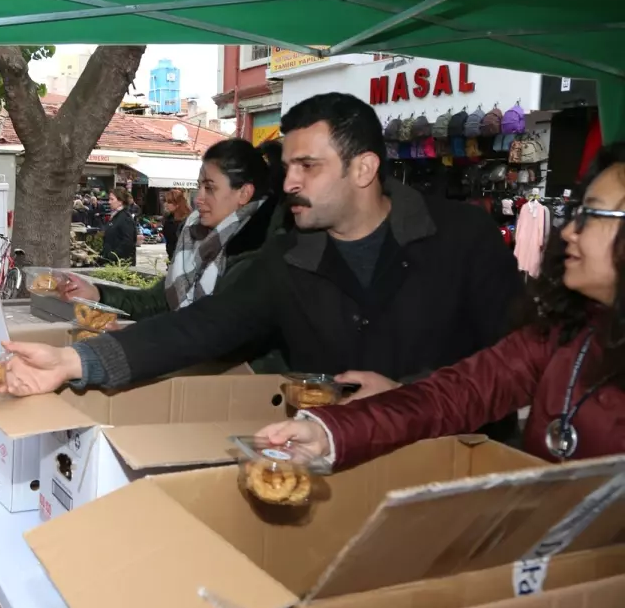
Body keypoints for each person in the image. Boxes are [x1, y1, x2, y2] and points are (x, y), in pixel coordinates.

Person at [2, 93, 524, 418]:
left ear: (363, 169)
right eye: (288, 165)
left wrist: (412, 396)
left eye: (308, 167)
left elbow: (519, 362)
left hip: (454, 469)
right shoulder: (288, 258)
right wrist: (75, 361)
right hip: (335, 472)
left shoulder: (463, 238)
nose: (289, 182)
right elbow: (197, 328)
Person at [259, 143, 625, 468]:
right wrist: (329, 434)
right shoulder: (561, 336)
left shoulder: (463, 242)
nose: (568, 232)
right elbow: (455, 395)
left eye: (592, 215)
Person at [62, 140, 282, 324]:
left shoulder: (258, 253)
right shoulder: (196, 238)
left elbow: (216, 334)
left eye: (210, 188)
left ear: (244, 193)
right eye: (199, 186)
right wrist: (97, 294)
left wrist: (137, 339)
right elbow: (157, 302)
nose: (199, 198)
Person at [99, 187, 137, 266]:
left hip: (121, 265)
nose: (109, 202)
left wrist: (113, 255)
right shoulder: (115, 216)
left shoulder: (125, 218)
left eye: (112, 199)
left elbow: (128, 242)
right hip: (111, 262)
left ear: (120, 201)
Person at [161, 188, 190, 262]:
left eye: (169, 202)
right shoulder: (169, 219)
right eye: (166, 202)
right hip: (171, 258)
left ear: (177, 204)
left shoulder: (187, 221)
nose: (166, 204)